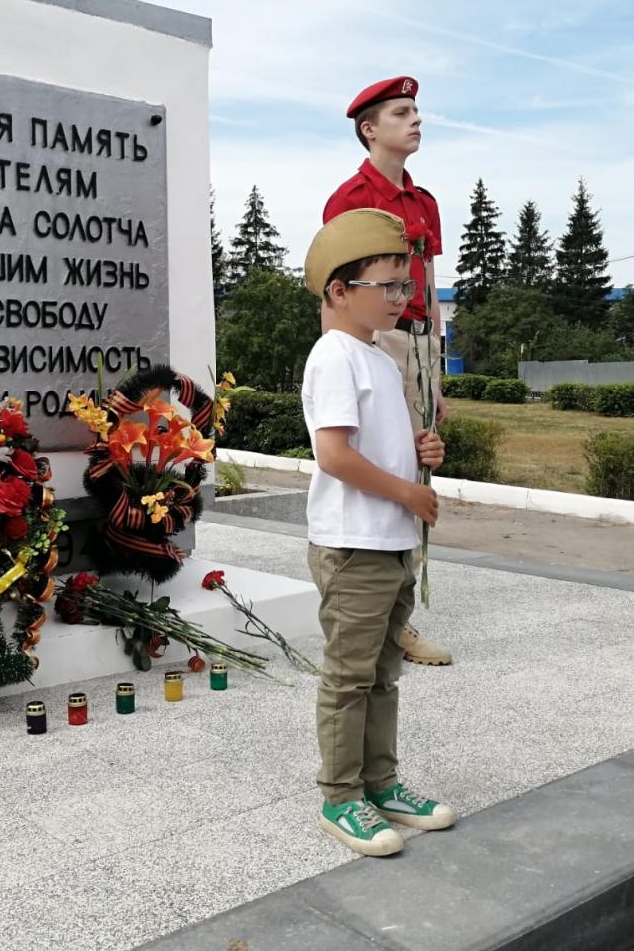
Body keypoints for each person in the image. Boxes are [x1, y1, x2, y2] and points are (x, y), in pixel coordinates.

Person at [301, 208, 456, 857]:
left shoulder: (376, 358)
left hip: (389, 543)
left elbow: (379, 446)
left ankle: (382, 783)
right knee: (350, 677)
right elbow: (333, 456)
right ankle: (342, 797)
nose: (402, 297)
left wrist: (422, 451)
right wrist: (408, 492)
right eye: (388, 285)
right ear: (341, 291)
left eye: (405, 284)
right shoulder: (335, 355)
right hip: (355, 545)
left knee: (384, 674)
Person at [323, 75, 452, 668]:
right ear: (369, 128)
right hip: (376, 339)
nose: (416, 120)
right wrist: (339, 360)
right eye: (402, 113)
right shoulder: (349, 200)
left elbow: (425, 288)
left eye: (417, 112)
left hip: (420, 341)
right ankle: (377, 605)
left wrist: (438, 374)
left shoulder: (424, 204)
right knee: (381, 458)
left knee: (419, 464)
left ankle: (402, 608)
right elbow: (336, 292)